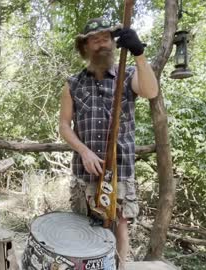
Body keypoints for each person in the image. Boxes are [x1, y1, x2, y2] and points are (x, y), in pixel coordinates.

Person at [59, 18, 158, 264]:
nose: (102, 43)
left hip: (121, 168)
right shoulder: (73, 84)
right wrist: (84, 151)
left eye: (106, 37)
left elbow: (150, 91)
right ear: (85, 47)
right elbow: (64, 125)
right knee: (84, 226)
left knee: (120, 225)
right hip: (86, 171)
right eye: (95, 39)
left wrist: (139, 53)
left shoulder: (129, 74)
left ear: (113, 42)